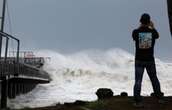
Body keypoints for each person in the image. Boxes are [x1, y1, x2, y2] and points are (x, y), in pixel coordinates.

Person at [132, 13, 164, 107]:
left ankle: (137, 101)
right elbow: (157, 36)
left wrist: (141, 26)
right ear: (149, 21)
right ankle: (159, 98)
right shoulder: (153, 32)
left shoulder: (136, 32)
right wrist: (152, 27)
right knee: (154, 78)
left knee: (138, 80)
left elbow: (134, 36)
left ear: (140, 21)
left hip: (139, 60)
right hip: (150, 60)